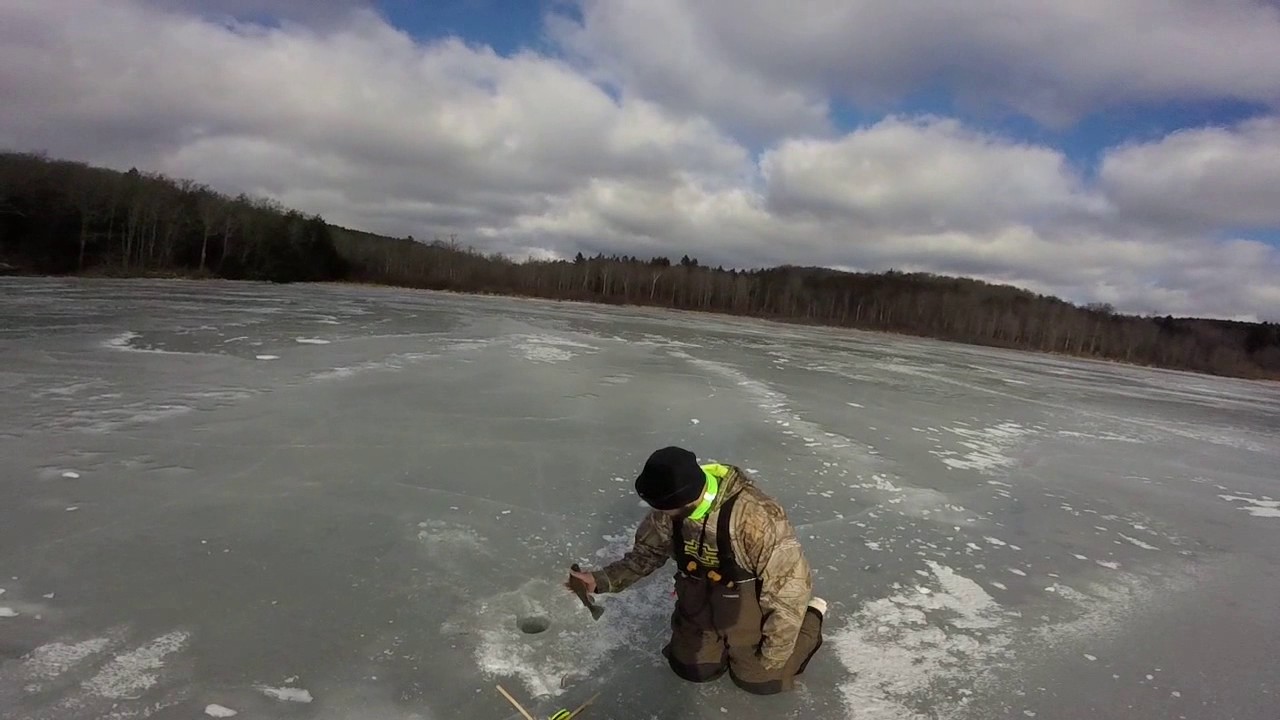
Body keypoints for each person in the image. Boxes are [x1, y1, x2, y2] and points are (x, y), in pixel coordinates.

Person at [567, 446, 826, 695]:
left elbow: (787, 588)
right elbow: (646, 554)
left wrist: (775, 652)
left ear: (686, 497)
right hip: (698, 598)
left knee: (760, 680)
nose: (659, 514)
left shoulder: (756, 517)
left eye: (664, 508)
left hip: (749, 603)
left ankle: (813, 615)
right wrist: (600, 580)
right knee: (692, 670)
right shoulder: (666, 511)